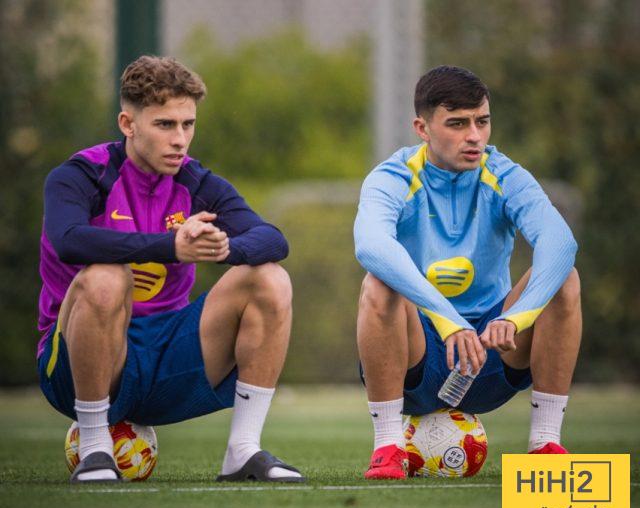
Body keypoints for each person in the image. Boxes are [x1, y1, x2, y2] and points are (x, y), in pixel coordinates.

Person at [37, 55, 304, 483]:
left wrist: (221, 246)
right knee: (107, 276)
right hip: (76, 367)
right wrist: (172, 247)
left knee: (270, 277)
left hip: (166, 359)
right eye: (165, 125)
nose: (180, 139)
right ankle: (95, 448)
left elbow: (273, 239)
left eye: (188, 124)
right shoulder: (81, 175)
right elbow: (69, 239)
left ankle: (242, 451)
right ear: (128, 124)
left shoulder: (196, 181)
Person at [354, 66, 581, 480]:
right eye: (457, 124)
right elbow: (371, 245)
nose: (474, 136)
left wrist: (517, 317)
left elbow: (560, 243)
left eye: (482, 121)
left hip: (493, 350)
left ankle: (545, 443)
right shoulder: (393, 176)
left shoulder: (506, 175)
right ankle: (387, 447)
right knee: (378, 284)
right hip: (419, 358)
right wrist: (447, 321)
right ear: (422, 128)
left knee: (565, 279)